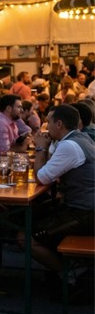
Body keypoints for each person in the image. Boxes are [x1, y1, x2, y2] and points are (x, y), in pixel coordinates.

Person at [21, 105, 94, 286]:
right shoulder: (81, 138)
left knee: (25, 237)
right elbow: (50, 168)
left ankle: (70, 272)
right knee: (34, 215)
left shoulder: (69, 146)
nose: (46, 126)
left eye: (49, 122)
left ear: (59, 123)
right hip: (84, 207)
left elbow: (41, 178)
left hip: (85, 212)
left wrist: (39, 149)